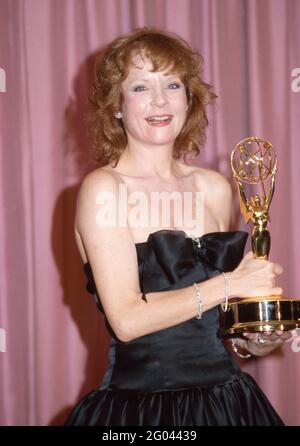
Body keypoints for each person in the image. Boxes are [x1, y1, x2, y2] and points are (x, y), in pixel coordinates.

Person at [65, 28, 292, 426]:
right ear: (116, 106)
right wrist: (231, 284)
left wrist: (257, 340)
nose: (159, 101)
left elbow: (223, 327)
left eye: (172, 84)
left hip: (230, 406)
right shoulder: (103, 189)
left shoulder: (214, 188)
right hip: (141, 412)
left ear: (189, 99)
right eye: (140, 87)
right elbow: (127, 320)